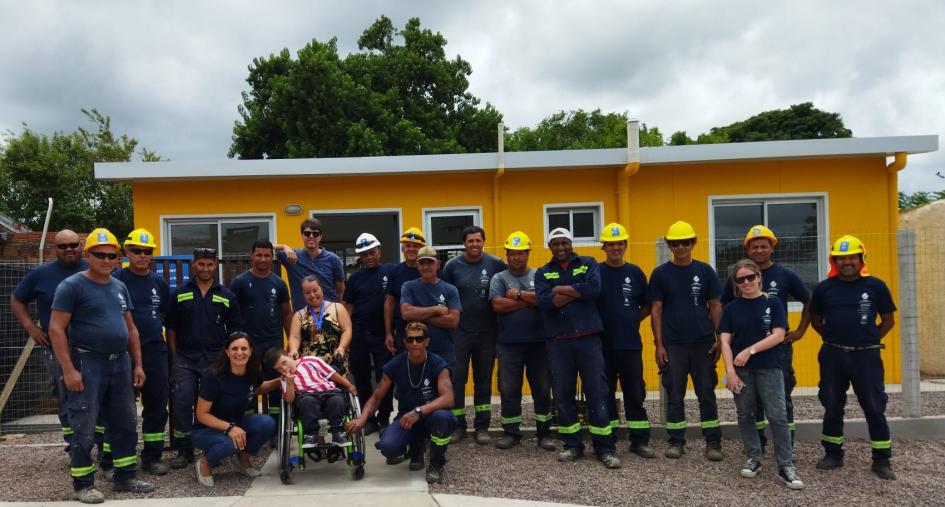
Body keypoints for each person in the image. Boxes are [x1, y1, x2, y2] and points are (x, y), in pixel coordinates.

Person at [48, 228, 155, 503]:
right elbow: (56, 329)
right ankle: (83, 484)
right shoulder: (72, 286)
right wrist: (69, 370)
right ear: (88, 255)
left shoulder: (119, 287)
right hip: (88, 362)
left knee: (125, 422)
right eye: (100, 255)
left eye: (112, 256)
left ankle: (125, 476)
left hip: (120, 362)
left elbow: (131, 330)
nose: (107, 260)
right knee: (84, 424)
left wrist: (138, 365)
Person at [811, 235, 897, 480]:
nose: (846, 262)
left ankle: (882, 459)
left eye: (851, 257)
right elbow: (816, 320)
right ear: (834, 261)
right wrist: (832, 337)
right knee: (832, 405)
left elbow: (889, 320)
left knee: (874, 406)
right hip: (832, 355)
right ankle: (833, 454)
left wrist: (868, 339)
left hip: (866, 357)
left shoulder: (876, 286)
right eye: (841, 258)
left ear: (861, 259)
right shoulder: (824, 288)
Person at [534, 227, 618, 468]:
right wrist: (577, 291)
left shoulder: (588, 263)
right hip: (558, 342)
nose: (561, 248)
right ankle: (572, 445)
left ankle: (605, 448)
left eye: (564, 243)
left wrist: (559, 289)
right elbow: (544, 302)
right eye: (556, 244)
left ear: (571, 244)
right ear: (550, 247)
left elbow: (594, 289)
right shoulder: (543, 272)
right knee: (563, 395)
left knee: (597, 393)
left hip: (588, 338)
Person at [721, 225, 811, 448]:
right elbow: (722, 307)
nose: (759, 250)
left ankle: (786, 445)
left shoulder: (786, 275)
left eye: (764, 246)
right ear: (748, 250)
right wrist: (722, 339)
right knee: (751, 402)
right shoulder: (737, 276)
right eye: (754, 247)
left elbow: (809, 300)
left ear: (772, 248)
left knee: (781, 400)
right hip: (744, 352)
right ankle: (757, 445)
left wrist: (800, 331)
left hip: (776, 350)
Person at [720, 259, 804, 490]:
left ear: (759, 277)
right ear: (735, 284)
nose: (746, 282)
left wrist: (750, 350)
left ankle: (785, 465)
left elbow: (778, 335)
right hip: (741, 371)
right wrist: (730, 372)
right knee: (746, 415)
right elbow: (725, 341)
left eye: (750, 277)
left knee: (777, 416)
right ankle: (754, 458)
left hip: (769, 367)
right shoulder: (731, 309)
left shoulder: (773, 303)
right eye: (741, 279)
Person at [648, 220, 724, 461]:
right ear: (669, 245)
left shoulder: (705, 271)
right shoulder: (660, 274)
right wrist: (659, 344)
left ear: (694, 243)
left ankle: (713, 442)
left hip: (703, 342)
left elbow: (715, 305)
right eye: (676, 243)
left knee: (706, 393)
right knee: (675, 394)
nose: (681, 247)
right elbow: (656, 310)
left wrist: (720, 338)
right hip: (673, 344)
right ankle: (676, 441)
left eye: (686, 242)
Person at [346, 322, 455, 484]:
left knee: (443, 418)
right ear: (404, 342)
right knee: (388, 447)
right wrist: (363, 418)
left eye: (419, 339)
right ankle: (415, 448)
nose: (415, 343)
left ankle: (436, 464)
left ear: (427, 341)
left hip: (431, 416)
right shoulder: (395, 364)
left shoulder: (438, 364)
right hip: (406, 419)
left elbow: (448, 398)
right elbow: (376, 397)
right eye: (410, 340)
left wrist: (418, 411)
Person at [165, 247, 242, 469]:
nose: (205, 269)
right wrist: (174, 355)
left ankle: (213, 447)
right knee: (181, 401)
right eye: (201, 264)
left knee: (215, 404)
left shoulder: (227, 296)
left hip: (215, 358)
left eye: (209, 264)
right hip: (185, 358)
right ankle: (184, 449)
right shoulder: (179, 293)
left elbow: (236, 330)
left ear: (215, 265)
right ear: (194, 265)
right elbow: (170, 328)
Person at [11, 229, 88, 448]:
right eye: (63, 246)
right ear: (55, 249)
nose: (69, 249)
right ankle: (73, 444)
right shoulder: (40, 274)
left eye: (73, 244)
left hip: (91, 346)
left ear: (81, 245)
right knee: (64, 394)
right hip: (56, 347)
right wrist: (31, 328)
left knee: (94, 393)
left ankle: (98, 444)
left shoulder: (93, 270)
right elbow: (17, 300)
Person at [112, 228, 171, 475]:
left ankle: (152, 456)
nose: (142, 256)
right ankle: (115, 458)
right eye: (137, 251)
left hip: (155, 350)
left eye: (147, 252)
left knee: (156, 405)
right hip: (121, 353)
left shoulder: (159, 282)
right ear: (127, 252)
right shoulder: (116, 280)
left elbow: (165, 312)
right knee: (120, 408)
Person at [489, 231, 555, 451]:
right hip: (508, 344)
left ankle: (544, 434)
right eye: (513, 254)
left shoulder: (540, 275)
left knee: (542, 389)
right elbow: (497, 305)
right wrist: (529, 300)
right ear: (507, 254)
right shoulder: (499, 278)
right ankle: (511, 433)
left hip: (539, 344)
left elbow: (544, 301)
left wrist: (517, 295)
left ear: (528, 253)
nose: (517, 258)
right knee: (509, 390)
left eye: (521, 253)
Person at [442, 225, 507, 444]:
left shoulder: (496, 264)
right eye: (470, 241)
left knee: (483, 381)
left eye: (478, 241)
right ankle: (458, 426)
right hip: (459, 332)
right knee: (457, 379)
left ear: (483, 242)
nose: (474, 245)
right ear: (464, 243)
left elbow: (506, 287)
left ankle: (482, 427)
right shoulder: (452, 267)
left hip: (487, 333)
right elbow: (445, 297)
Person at [192, 332, 279, 487]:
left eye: (244, 348)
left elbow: (259, 388)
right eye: (234, 349)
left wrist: (281, 380)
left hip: (235, 422)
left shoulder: (251, 372)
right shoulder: (213, 376)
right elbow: (201, 414)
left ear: (251, 351)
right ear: (227, 352)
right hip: (206, 429)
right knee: (230, 443)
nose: (239, 353)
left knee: (267, 423)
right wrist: (230, 428)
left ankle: (242, 459)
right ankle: (205, 463)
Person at [597, 223, 654, 458]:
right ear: (604, 247)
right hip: (602, 346)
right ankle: (608, 439)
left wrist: (631, 318)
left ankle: (639, 441)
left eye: (620, 243)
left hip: (630, 345)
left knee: (634, 393)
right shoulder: (596, 272)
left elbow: (647, 305)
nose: (616, 248)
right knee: (605, 393)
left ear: (625, 246)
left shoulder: (635, 272)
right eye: (611, 244)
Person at [230, 240, 292, 418]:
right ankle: (249, 428)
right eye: (259, 255)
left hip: (274, 343)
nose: (263, 259)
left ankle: (275, 430)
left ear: (272, 257)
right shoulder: (239, 282)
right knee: (247, 386)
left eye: (267, 255)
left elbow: (287, 314)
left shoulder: (279, 284)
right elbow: (232, 314)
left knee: (276, 386)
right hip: (248, 346)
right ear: (251, 256)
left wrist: (290, 344)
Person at [343, 232, 394, 435]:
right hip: (359, 336)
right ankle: (369, 419)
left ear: (379, 251)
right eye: (364, 254)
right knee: (362, 378)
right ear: (360, 257)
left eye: (372, 252)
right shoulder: (354, 278)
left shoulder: (391, 272)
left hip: (383, 335)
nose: (369, 257)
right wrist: (345, 339)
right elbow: (347, 308)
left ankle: (384, 418)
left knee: (385, 376)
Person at [264, 347, 357, 448]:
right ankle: (311, 433)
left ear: (289, 356)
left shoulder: (311, 360)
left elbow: (333, 374)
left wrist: (348, 385)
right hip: (307, 396)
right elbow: (289, 400)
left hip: (329, 392)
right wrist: (290, 384)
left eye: (284, 363)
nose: (284, 369)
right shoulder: (284, 379)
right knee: (307, 401)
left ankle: (338, 432)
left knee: (338, 400)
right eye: (279, 369)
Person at [400, 246, 461, 367]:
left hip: (444, 350)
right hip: (415, 350)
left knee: (445, 385)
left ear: (438, 264)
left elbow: (453, 321)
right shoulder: (408, 286)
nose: (426, 267)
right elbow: (406, 313)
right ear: (417, 265)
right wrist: (436, 309)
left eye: (430, 262)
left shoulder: (450, 289)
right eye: (422, 263)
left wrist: (417, 316)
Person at [384, 227, 438, 354]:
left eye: (416, 246)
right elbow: (389, 303)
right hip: (403, 332)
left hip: (431, 330)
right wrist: (388, 333)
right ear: (402, 248)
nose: (412, 249)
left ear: (422, 248)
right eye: (408, 246)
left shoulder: (435, 271)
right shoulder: (395, 272)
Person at [276, 218, 345, 310]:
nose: (311, 236)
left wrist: (341, 313)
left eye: (315, 234)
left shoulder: (333, 259)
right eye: (307, 233)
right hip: (303, 316)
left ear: (320, 237)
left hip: (329, 315)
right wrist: (284, 246)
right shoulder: (292, 256)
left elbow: (341, 291)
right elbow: (265, 246)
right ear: (302, 235)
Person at [287, 275, 353, 371]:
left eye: (315, 290)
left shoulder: (337, 308)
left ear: (321, 288)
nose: (312, 295)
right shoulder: (299, 315)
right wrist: (293, 350)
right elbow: (294, 336)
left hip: (336, 362)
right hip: (309, 367)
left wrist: (342, 348)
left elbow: (347, 330)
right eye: (307, 293)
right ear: (303, 294)